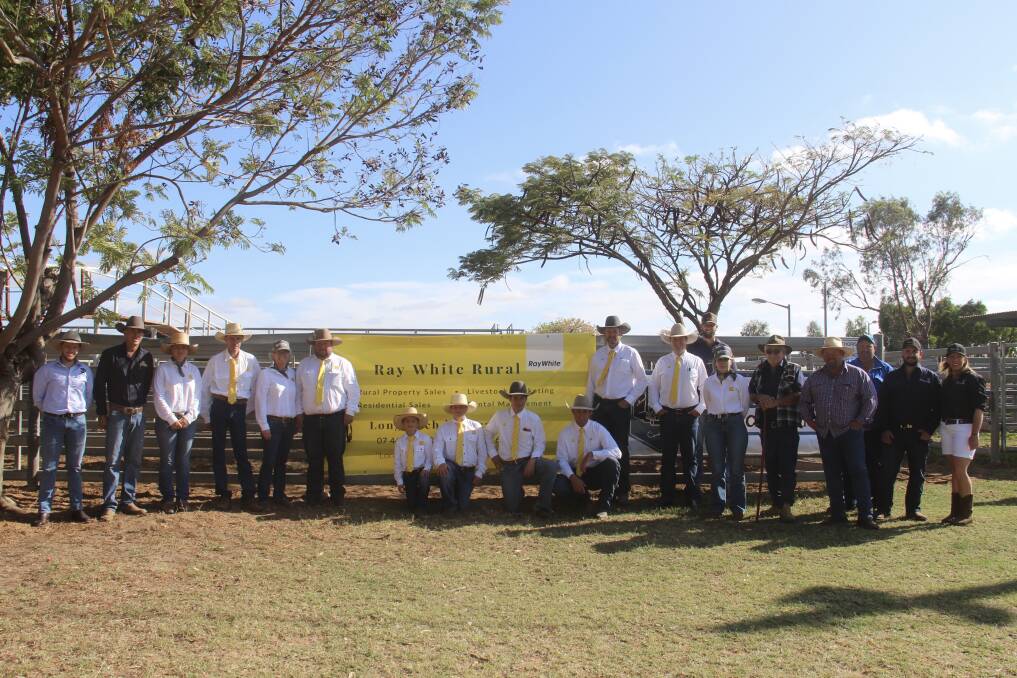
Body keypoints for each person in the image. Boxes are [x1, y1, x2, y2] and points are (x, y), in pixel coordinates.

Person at [800, 337, 879, 530]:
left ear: (841, 354)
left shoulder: (857, 374)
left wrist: (859, 421)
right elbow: (803, 402)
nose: (830, 356)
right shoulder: (815, 378)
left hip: (850, 432)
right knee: (832, 474)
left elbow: (871, 400)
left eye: (833, 352)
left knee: (858, 471)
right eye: (826, 353)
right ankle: (837, 513)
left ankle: (865, 515)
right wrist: (811, 421)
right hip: (826, 433)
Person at [94, 315, 155, 521]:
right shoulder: (110, 355)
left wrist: (140, 406)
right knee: (112, 460)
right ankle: (109, 504)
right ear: (125, 332)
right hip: (117, 413)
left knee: (134, 460)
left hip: (137, 414)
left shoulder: (147, 357)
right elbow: (99, 385)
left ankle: (128, 500)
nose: (136, 335)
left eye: (139, 332)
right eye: (132, 331)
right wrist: (102, 412)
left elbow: (147, 385)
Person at [874, 338, 941, 521]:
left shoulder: (931, 378)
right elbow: (882, 406)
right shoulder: (892, 377)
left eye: (914, 351)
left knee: (917, 473)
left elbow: (938, 407)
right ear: (902, 354)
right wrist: (884, 430)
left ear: (921, 354)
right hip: (894, 433)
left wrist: (929, 430)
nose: (910, 355)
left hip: (918, 435)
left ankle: (913, 510)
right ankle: (883, 509)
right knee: (887, 472)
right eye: (907, 351)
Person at [31, 331, 94, 527]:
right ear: (61, 347)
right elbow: (37, 397)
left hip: (77, 421)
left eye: (74, 347)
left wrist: (77, 411)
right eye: (67, 346)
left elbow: (88, 396)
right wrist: (53, 410)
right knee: (50, 466)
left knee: (75, 466)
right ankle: (44, 510)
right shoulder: (47, 370)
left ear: (79, 349)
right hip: (53, 421)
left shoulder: (84, 371)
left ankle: (76, 507)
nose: (71, 350)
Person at [585, 315, 648, 505]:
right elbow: (590, 383)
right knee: (598, 447)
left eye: (615, 330)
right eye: (608, 331)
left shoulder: (630, 353)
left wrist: (628, 400)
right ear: (604, 333)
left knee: (621, 448)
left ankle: (622, 490)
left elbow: (642, 380)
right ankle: (604, 491)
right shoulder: (597, 356)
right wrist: (588, 408)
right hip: (600, 406)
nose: (611, 334)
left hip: (620, 407)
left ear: (620, 332)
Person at [296, 328, 360, 507]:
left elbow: (353, 390)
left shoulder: (343, 364)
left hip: (336, 418)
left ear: (331, 345)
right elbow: (298, 392)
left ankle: (337, 495)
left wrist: (350, 412)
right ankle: (314, 495)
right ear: (314, 345)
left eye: (326, 343)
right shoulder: (304, 365)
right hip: (311, 420)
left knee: (335, 458)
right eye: (319, 344)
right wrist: (299, 413)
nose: (323, 347)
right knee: (314, 458)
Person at [201, 322, 260, 509]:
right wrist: (206, 416)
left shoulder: (251, 360)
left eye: (238, 338)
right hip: (219, 406)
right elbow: (204, 389)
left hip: (240, 407)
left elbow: (257, 388)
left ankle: (248, 494)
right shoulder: (215, 360)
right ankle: (222, 494)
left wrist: (246, 408)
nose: (235, 341)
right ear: (225, 339)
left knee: (241, 452)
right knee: (218, 452)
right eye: (232, 338)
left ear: (241, 341)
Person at [648, 321, 707, 509]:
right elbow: (653, 387)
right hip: (668, 415)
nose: (678, 343)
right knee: (668, 457)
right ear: (670, 341)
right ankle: (667, 497)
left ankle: (692, 497)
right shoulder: (662, 362)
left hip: (690, 415)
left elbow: (705, 387)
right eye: (675, 340)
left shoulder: (696, 362)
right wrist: (657, 408)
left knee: (691, 458)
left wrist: (700, 408)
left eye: (681, 339)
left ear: (686, 341)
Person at [748, 335, 804, 522]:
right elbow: (751, 392)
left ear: (784, 352)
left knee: (787, 466)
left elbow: (799, 394)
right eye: (769, 350)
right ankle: (776, 503)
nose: (772, 354)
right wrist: (761, 398)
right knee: (771, 465)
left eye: (776, 351)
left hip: (787, 426)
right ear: (765, 352)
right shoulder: (760, 369)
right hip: (767, 426)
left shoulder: (794, 369)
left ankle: (787, 504)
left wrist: (777, 403)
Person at [485, 380, 557, 517]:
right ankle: (517, 493)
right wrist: (493, 455)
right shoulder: (500, 416)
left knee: (551, 467)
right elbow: (487, 433)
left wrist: (533, 460)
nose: (519, 401)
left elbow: (540, 443)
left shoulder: (533, 418)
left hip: (528, 462)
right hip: (508, 465)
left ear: (526, 399)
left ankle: (543, 507)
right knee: (512, 507)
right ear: (509, 399)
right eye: (515, 397)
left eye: (522, 397)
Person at [152, 331, 202, 514]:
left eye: (183, 348)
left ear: (187, 351)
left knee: (184, 460)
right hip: (167, 419)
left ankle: (183, 497)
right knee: (167, 459)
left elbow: (197, 397)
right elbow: (159, 396)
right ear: (171, 350)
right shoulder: (163, 369)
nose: (180, 350)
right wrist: (172, 419)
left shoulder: (194, 371)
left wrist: (188, 418)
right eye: (177, 347)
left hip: (187, 419)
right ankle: (167, 497)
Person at [844, 334, 894, 517]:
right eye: (861, 346)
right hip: (853, 425)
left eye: (868, 346)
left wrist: (887, 427)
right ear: (857, 349)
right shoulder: (849, 367)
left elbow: (890, 400)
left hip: (876, 426)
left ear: (875, 348)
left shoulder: (886, 369)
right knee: (851, 465)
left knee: (876, 466)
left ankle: (878, 503)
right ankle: (850, 501)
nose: (864, 349)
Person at [938, 343, 986, 525]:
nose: (955, 360)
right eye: (951, 357)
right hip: (947, 426)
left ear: (965, 358)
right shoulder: (946, 379)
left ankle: (966, 512)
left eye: (959, 356)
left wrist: (975, 433)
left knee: (961, 470)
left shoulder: (973, 379)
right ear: (947, 359)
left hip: (964, 427)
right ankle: (955, 511)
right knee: (954, 471)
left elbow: (979, 409)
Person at [553, 394, 622, 519]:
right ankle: (583, 502)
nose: (580, 415)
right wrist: (573, 478)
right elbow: (561, 460)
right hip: (574, 473)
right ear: (573, 412)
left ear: (590, 413)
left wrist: (593, 455)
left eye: (584, 412)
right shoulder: (565, 433)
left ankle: (603, 507)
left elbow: (617, 452)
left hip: (595, 472)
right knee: (559, 486)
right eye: (577, 411)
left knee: (612, 464)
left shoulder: (598, 429)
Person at [702, 347, 751, 520]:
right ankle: (718, 505)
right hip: (714, 423)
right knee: (717, 467)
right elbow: (707, 403)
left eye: (725, 360)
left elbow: (745, 405)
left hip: (735, 422)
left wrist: (734, 417)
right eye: (719, 360)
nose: (722, 363)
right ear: (715, 362)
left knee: (736, 467)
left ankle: (737, 506)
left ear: (731, 361)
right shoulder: (708, 382)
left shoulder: (741, 381)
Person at [687, 312, 731, 501]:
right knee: (696, 449)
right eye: (705, 325)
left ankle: (719, 493)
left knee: (718, 450)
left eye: (711, 325)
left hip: (718, 406)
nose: (708, 328)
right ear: (701, 327)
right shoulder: (692, 347)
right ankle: (695, 491)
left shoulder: (724, 348)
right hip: (698, 404)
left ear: (715, 327)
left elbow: (732, 375)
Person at [253, 340, 300, 508]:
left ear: (289, 355)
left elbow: (297, 398)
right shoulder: (266, 374)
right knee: (269, 461)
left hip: (288, 423)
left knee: (282, 461)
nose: (282, 356)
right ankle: (263, 497)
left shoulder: (293, 374)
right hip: (272, 423)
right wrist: (263, 425)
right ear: (273, 355)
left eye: (285, 353)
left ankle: (279, 494)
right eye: (279, 353)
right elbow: (260, 401)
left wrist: (297, 419)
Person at [432, 393, 487, 514]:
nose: (458, 410)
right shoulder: (443, 428)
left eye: (461, 407)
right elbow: (437, 448)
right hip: (451, 467)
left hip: (468, 471)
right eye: (455, 407)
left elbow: (482, 451)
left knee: (463, 506)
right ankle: (449, 505)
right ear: (451, 409)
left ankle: (457, 501)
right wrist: (440, 463)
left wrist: (479, 473)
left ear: (466, 408)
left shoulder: (476, 427)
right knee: (444, 472)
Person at [392, 407, 432, 515]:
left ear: (418, 424)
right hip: (408, 474)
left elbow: (429, 458)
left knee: (424, 481)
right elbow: (397, 463)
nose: (410, 424)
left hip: (421, 471)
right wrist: (399, 481)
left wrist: (427, 469)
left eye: (413, 421)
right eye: (407, 421)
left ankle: (422, 507)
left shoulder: (426, 439)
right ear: (403, 425)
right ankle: (415, 504)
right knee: (411, 504)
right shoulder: (399, 442)